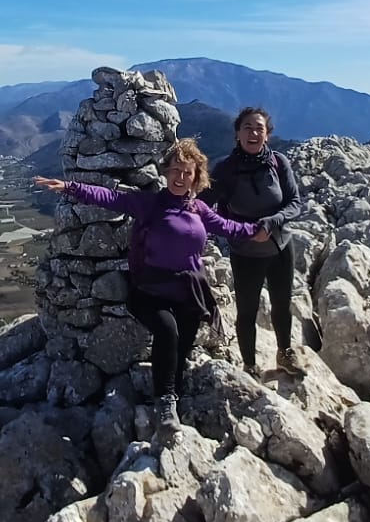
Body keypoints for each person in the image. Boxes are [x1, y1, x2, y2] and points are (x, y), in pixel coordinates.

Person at [34, 138, 258, 431]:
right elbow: (111, 198)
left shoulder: (200, 210)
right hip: (149, 290)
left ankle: (174, 393)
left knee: (183, 344)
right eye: (175, 169)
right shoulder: (150, 204)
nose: (180, 177)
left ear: (196, 177)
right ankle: (164, 403)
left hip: (188, 291)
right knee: (167, 331)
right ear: (165, 172)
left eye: (187, 172)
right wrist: (70, 187)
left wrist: (261, 229)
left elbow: (229, 227)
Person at [206, 107, 304, 376]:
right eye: (247, 127)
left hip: (280, 246)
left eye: (259, 128)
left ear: (267, 135)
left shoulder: (278, 162)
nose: (254, 132)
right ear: (237, 133)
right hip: (246, 251)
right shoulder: (226, 169)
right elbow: (205, 203)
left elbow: (295, 203)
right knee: (247, 312)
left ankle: (284, 354)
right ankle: (249, 365)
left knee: (282, 305)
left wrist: (271, 223)